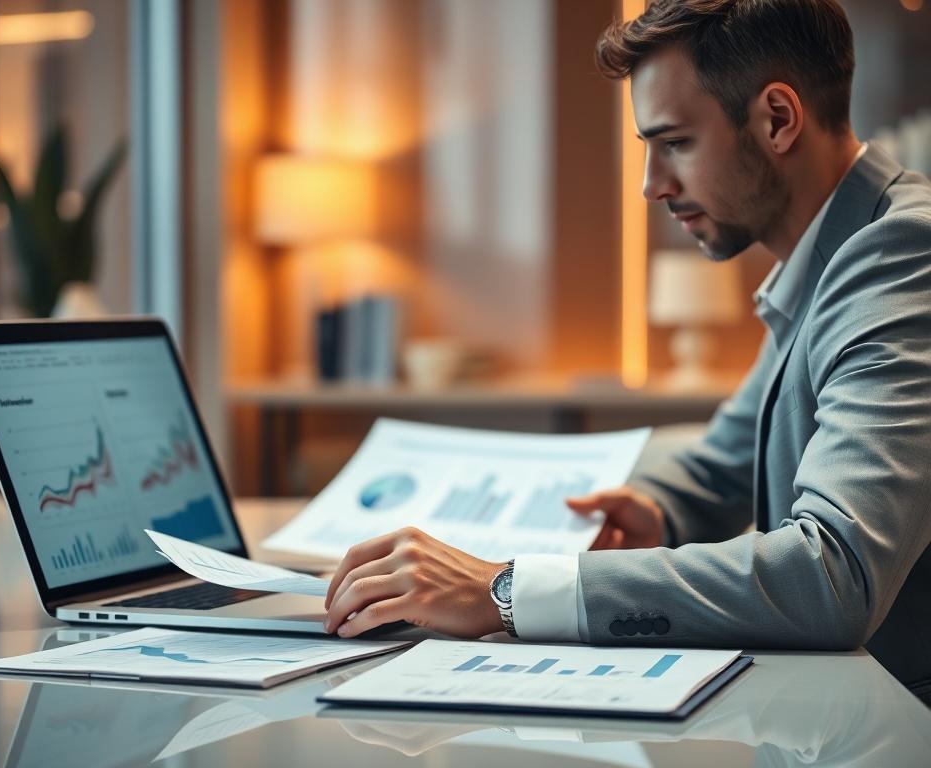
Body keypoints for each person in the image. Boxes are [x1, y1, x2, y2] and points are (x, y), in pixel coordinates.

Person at [323, 0, 931, 698]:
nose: (652, 185)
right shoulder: (829, 259)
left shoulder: (902, 256)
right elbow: (724, 468)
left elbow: (833, 574)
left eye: (674, 142)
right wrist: (655, 511)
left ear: (777, 119)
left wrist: (505, 591)